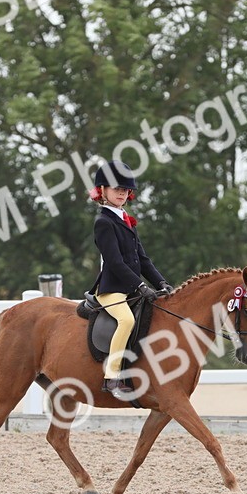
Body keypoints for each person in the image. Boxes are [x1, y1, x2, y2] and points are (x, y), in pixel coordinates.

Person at [89, 160, 174, 399]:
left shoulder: (127, 221)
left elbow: (143, 260)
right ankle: (112, 377)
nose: (122, 193)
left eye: (125, 190)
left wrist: (161, 283)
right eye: (116, 188)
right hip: (112, 290)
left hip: (132, 289)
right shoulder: (104, 222)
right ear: (102, 190)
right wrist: (139, 285)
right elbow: (115, 263)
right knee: (126, 320)